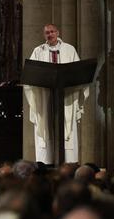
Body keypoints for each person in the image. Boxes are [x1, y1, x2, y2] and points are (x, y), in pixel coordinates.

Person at [24, 24, 88, 164]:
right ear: (44, 35)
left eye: (52, 32)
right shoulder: (38, 51)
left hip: (66, 95)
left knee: (67, 125)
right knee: (45, 126)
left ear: (58, 32)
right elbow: (30, 74)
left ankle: (68, 163)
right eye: (47, 32)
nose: (50, 34)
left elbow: (78, 72)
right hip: (45, 95)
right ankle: (46, 163)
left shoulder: (69, 49)